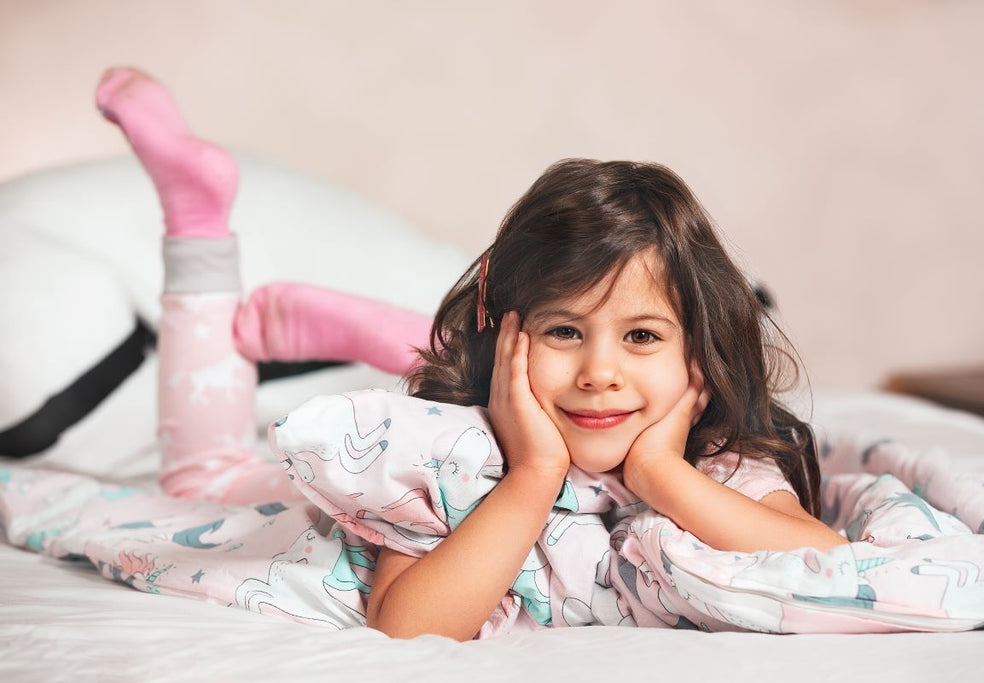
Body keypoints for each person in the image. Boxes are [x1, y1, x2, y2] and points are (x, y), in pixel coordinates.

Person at [96, 67, 847, 642]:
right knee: (202, 474)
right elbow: (405, 624)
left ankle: (351, 323)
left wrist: (662, 474)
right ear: (513, 329)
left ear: (698, 351)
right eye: (564, 332)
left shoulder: (719, 460)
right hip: (286, 494)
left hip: (594, 415)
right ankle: (198, 230)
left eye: (642, 336)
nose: (600, 372)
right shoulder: (452, 452)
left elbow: (826, 557)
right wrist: (531, 478)